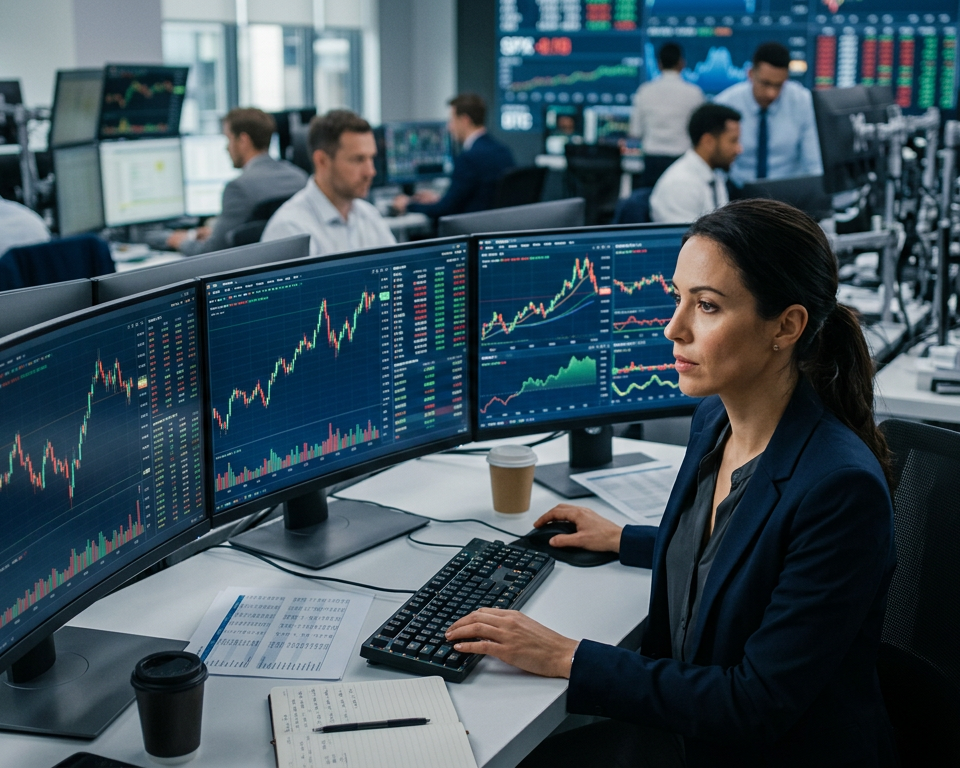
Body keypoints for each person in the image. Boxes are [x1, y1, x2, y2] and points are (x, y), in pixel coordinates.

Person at [445, 198, 897, 768]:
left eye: (706, 306)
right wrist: (624, 539)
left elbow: (754, 704)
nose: (673, 327)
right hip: (689, 733)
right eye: (677, 297)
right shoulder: (715, 421)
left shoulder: (839, 489)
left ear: (786, 325)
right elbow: (743, 555)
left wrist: (567, 656)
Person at [167, 108, 307, 255]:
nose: (226, 148)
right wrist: (216, 232)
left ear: (243, 140)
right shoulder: (299, 177)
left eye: (228, 139)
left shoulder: (238, 188)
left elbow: (212, 252)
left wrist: (181, 242)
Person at [261, 109, 396, 256]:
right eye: (358, 160)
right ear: (322, 161)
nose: (370, 172)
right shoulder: (290, 229)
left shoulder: (368, 215)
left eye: (371, 158)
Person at [714, 41, 823, 186]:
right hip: (738, 191)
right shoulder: (724, 104)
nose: (771, 94)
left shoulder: (803, 102)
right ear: (751, 74)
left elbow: (814, 164)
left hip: (788, 192)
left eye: (779, 85)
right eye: (765, 83)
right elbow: (716, 166)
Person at [392, 94, 515, 218]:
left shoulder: (468, 158)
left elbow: (444, 210)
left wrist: (408, 204)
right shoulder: (503, 151)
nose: (449, 127)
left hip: (470, 227)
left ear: (465, 120)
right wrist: (440, 199)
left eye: (452, 120)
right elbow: (478, 197)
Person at [649, 104, 742, 224]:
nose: (739, 149)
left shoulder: (714, 175)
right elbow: (686, 239)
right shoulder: (680, 184)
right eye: (733, 141)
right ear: (708, 141)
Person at [630, 42, 705, 188]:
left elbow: (635, 132)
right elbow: (700, 134)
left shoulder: (644, 91)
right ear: (681, 63)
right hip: (682, 161)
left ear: (659, 64)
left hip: (652, 162)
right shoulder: (694, 93)